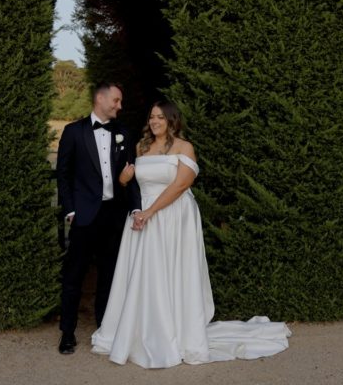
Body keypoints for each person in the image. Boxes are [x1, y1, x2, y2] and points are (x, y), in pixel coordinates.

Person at [91, 100, 291, 368]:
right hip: (143, 218)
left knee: (171, 270)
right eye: (152, 117)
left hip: (173, 216)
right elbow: (132, 185)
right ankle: (140, 330)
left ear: (172, 120)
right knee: (144, 273)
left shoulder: (185, 148)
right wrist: (126, 184)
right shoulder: (141, 147)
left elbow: (180, 185)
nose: (155, 121)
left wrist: (151, 213)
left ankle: (175, 328)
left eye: (161, 117)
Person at [56, 82, 141, 355]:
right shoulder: (73, 132)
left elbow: (131, 176)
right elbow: (63, 175)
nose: (120, 106)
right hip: (83, 217)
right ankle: (67, 333)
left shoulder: (123, 134)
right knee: (74, 276)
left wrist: (136, 208)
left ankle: (104, 328)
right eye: (116, 100)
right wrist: (70, 210)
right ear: (101, 99)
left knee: (109, 276)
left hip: (113, 217)